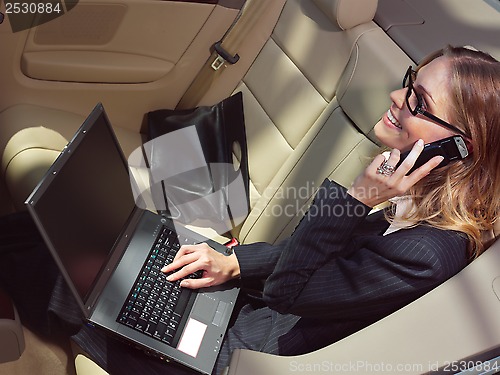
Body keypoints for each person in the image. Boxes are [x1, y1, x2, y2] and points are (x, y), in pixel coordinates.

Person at [0, 45, 499, 375]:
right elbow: (307, 263)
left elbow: (291, 290)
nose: (397, 97)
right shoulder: (418, 195)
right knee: (77, 236)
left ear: (461, 148)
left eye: (417, 100)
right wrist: (232, 262)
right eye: (409, 82)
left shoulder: (429, 250)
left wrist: (358, 196)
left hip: (241, 357)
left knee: (75, 282)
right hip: (245, 313)